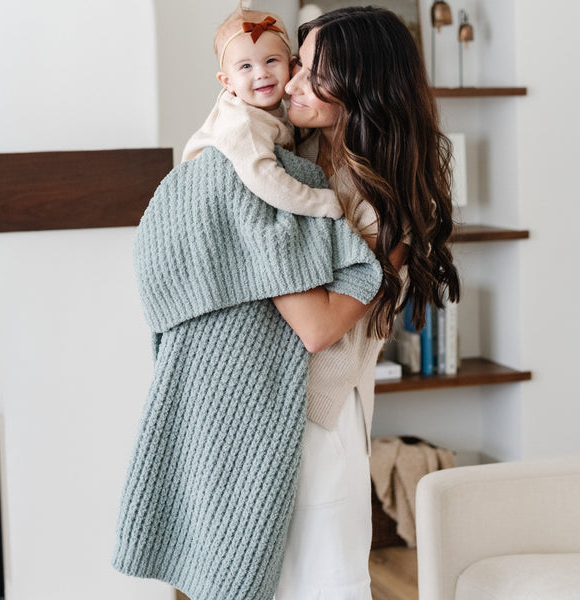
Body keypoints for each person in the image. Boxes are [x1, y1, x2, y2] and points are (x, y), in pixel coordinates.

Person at [270, 7, 460, 599]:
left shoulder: (387, 206)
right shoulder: (295, 155)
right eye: (297, 65)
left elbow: (319, 327)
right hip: (267, 407)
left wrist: (256, 233)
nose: (292, 84)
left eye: (312, 72)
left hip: (319, 421)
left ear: (363, 85)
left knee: (318, 584)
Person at [182, 7, 343, 219]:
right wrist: (322, 203)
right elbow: (265, 178)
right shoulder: (243, 122)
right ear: (228, 82)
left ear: (290, 64)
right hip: (207, 201)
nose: (261, 73)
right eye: (246, 66)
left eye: (271, 61)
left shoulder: (269, 104)